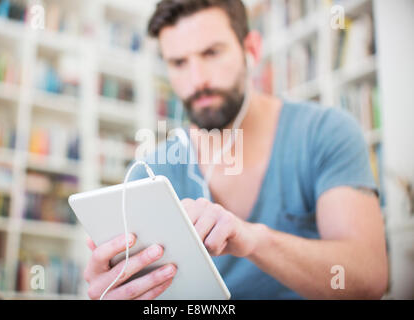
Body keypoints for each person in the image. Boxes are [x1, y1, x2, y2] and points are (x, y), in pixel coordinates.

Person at [83, 0, 388, 300]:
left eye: (212, 53)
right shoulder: (150, 172)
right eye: (178, 62)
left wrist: (254, 240)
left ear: (251, 49)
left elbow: (369, 279)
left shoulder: (325, 133)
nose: (197, 80)